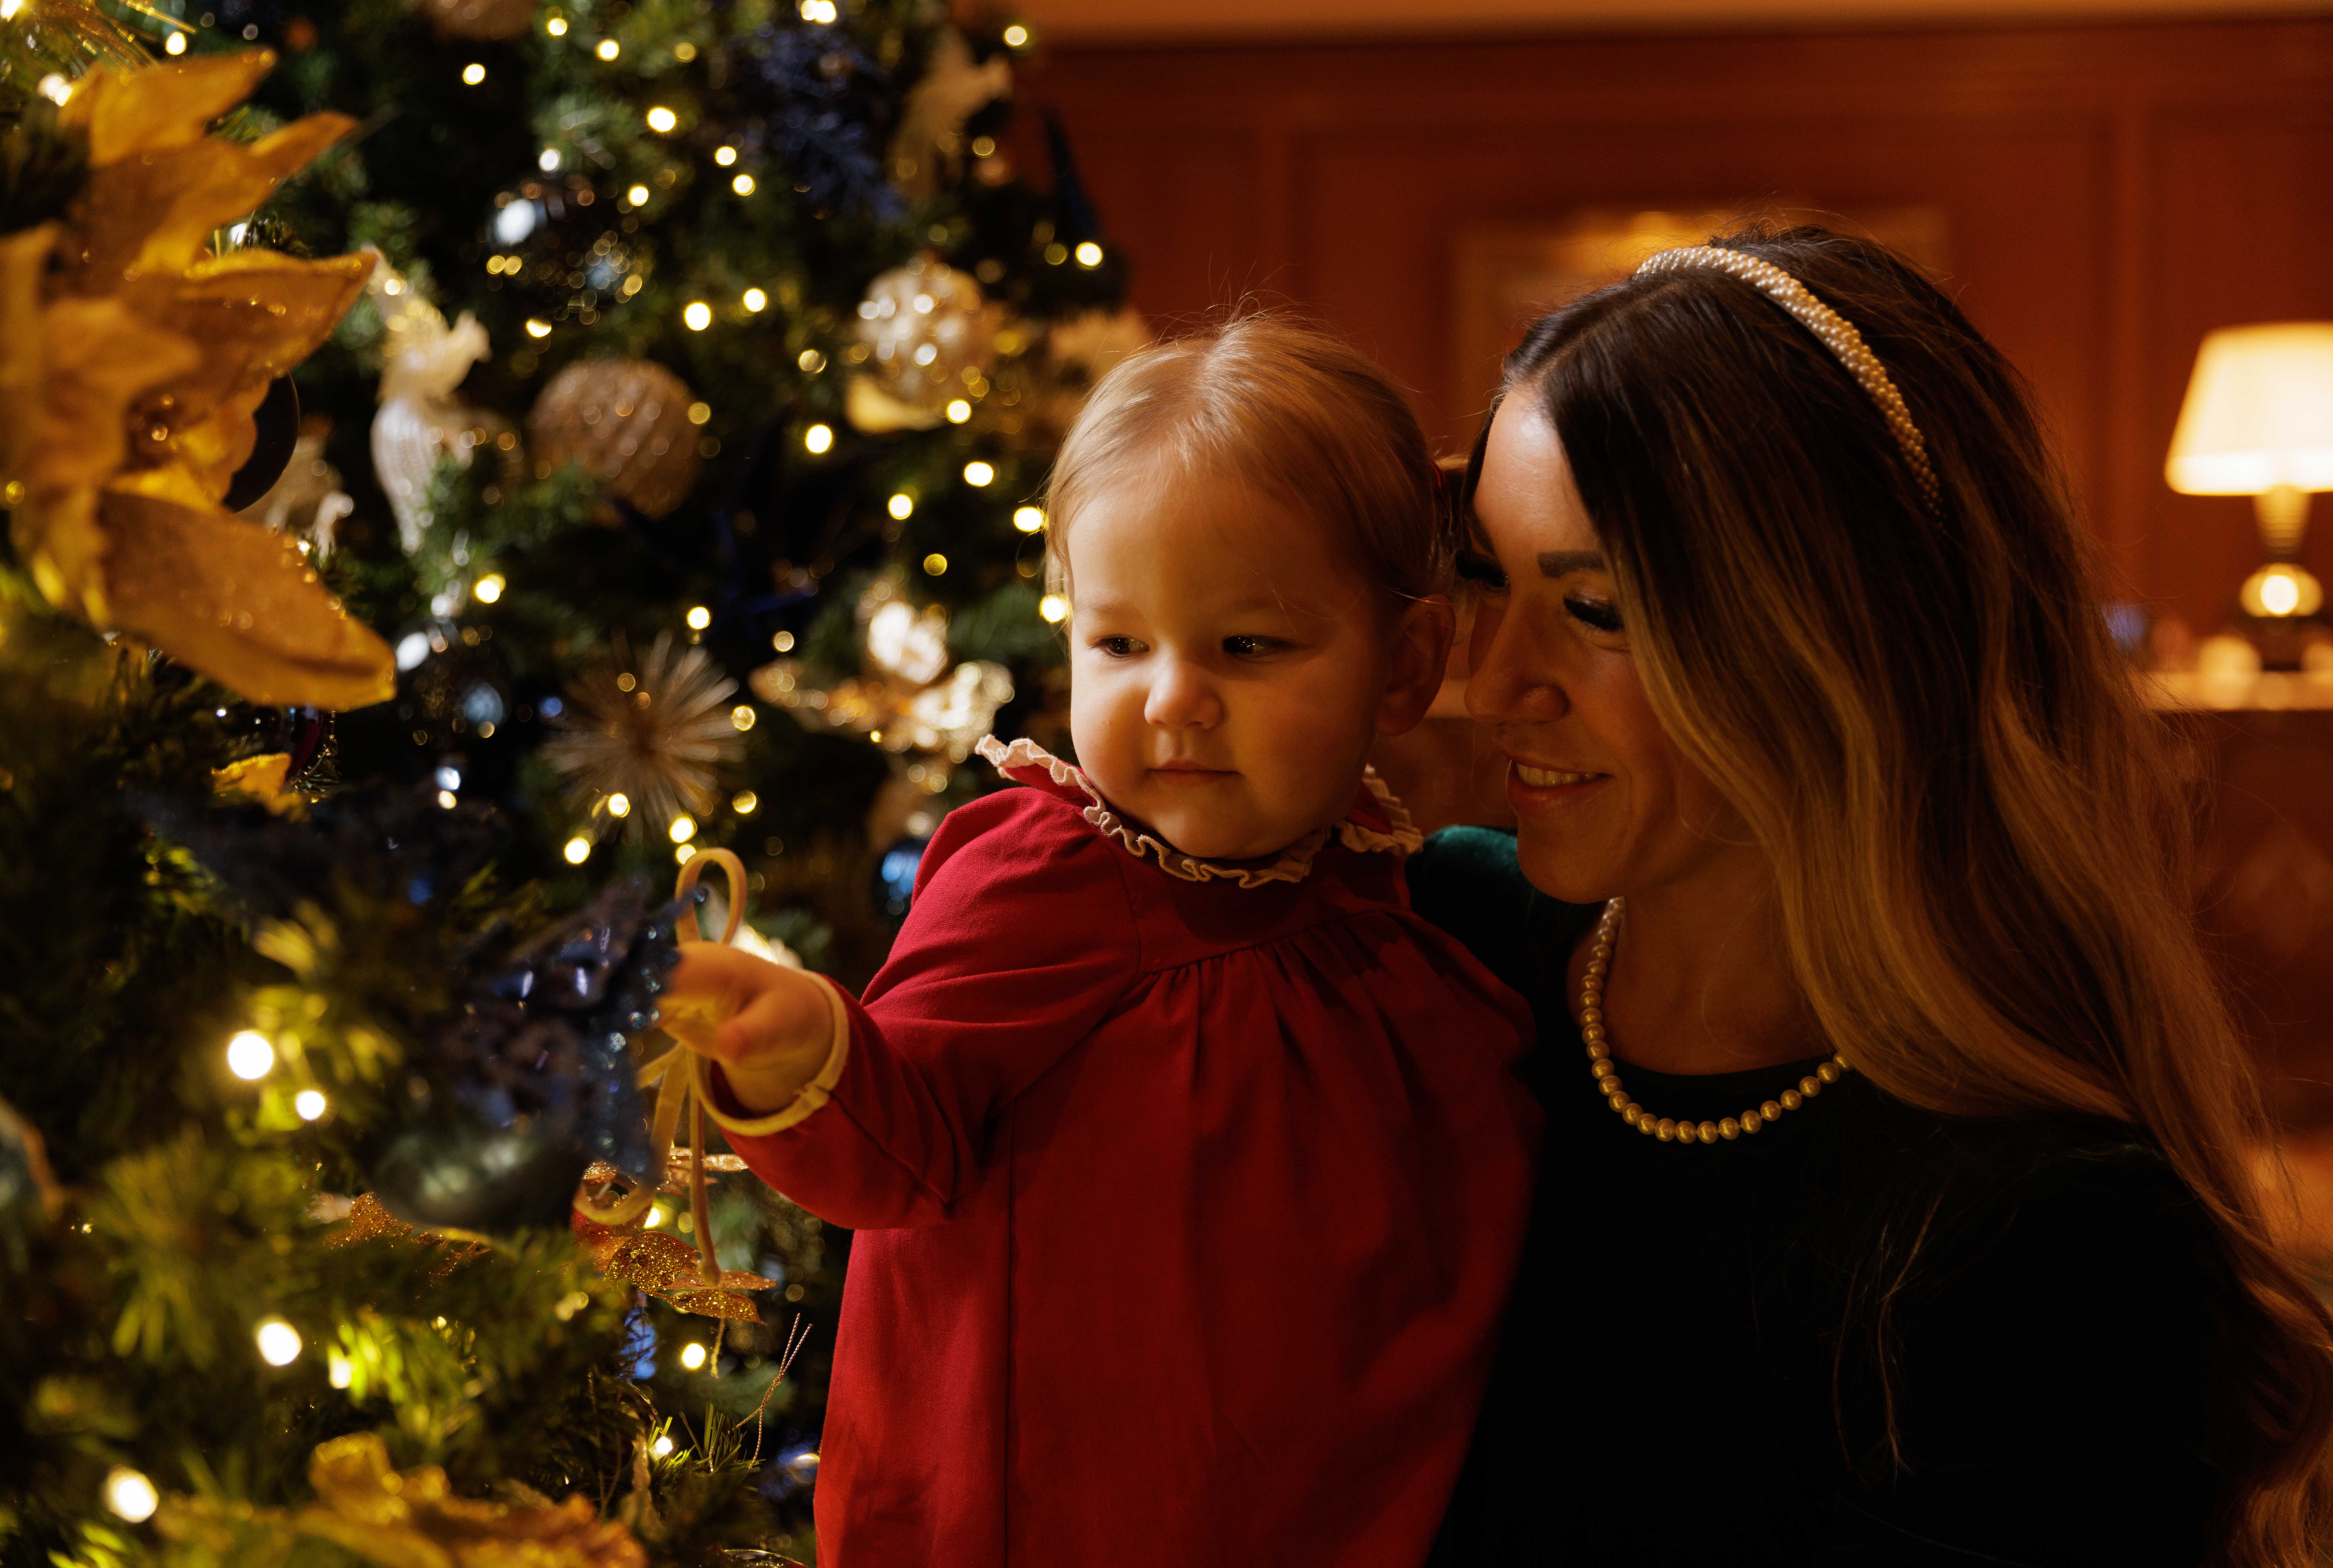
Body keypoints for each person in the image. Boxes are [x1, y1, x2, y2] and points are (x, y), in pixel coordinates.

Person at [1415, 226, 2333, 1567]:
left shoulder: (2054, 1241)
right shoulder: (1437, 955)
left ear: (1829, 638)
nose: (1496, 684)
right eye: (1487, 580)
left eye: (1598, 608)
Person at [659, 317, 1542, 1568]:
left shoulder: (1367, 880)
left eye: (1247, 646)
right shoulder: (1045, 874)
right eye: (1118, 643)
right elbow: (896, 1149)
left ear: (1402, 670)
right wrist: (803, 1050)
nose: (1171, 698)